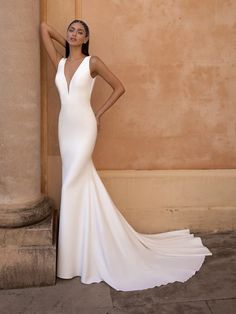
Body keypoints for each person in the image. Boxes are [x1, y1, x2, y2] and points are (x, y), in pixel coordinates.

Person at [40, 19, 212, 292]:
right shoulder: (59, 64)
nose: (74, 34)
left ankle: (71, 261)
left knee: (72, 182)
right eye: (72, 31)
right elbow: (43, 28)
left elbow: (119, 87)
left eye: (80, 32)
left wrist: (98, 113)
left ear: (86, 38)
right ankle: (78, 255)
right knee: (77, 183)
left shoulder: (92, 62)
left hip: (84, 129)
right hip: (65, 130)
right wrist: (67, 43)